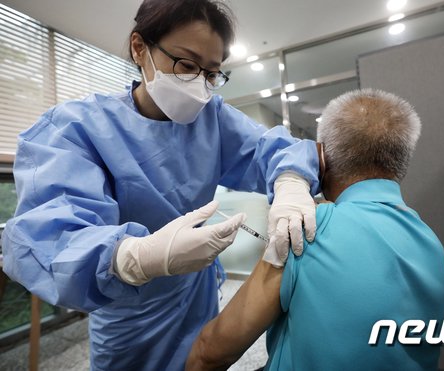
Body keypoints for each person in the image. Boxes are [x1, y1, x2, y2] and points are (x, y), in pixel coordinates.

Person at [0, 1, 319, 370]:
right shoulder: (76, 129)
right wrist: (137, 258)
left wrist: (292, 181)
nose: (199, 85)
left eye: (211, 73)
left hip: (196, 294)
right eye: (186, 65)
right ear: (140, 48)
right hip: (129, 308)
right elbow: (49, 236)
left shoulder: (212, 119)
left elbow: (275, 150)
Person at [186, 88, 444, 370]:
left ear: (320, 159)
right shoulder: (430, 242)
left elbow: (211, 352)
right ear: (400, 162)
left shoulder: (308, 227)